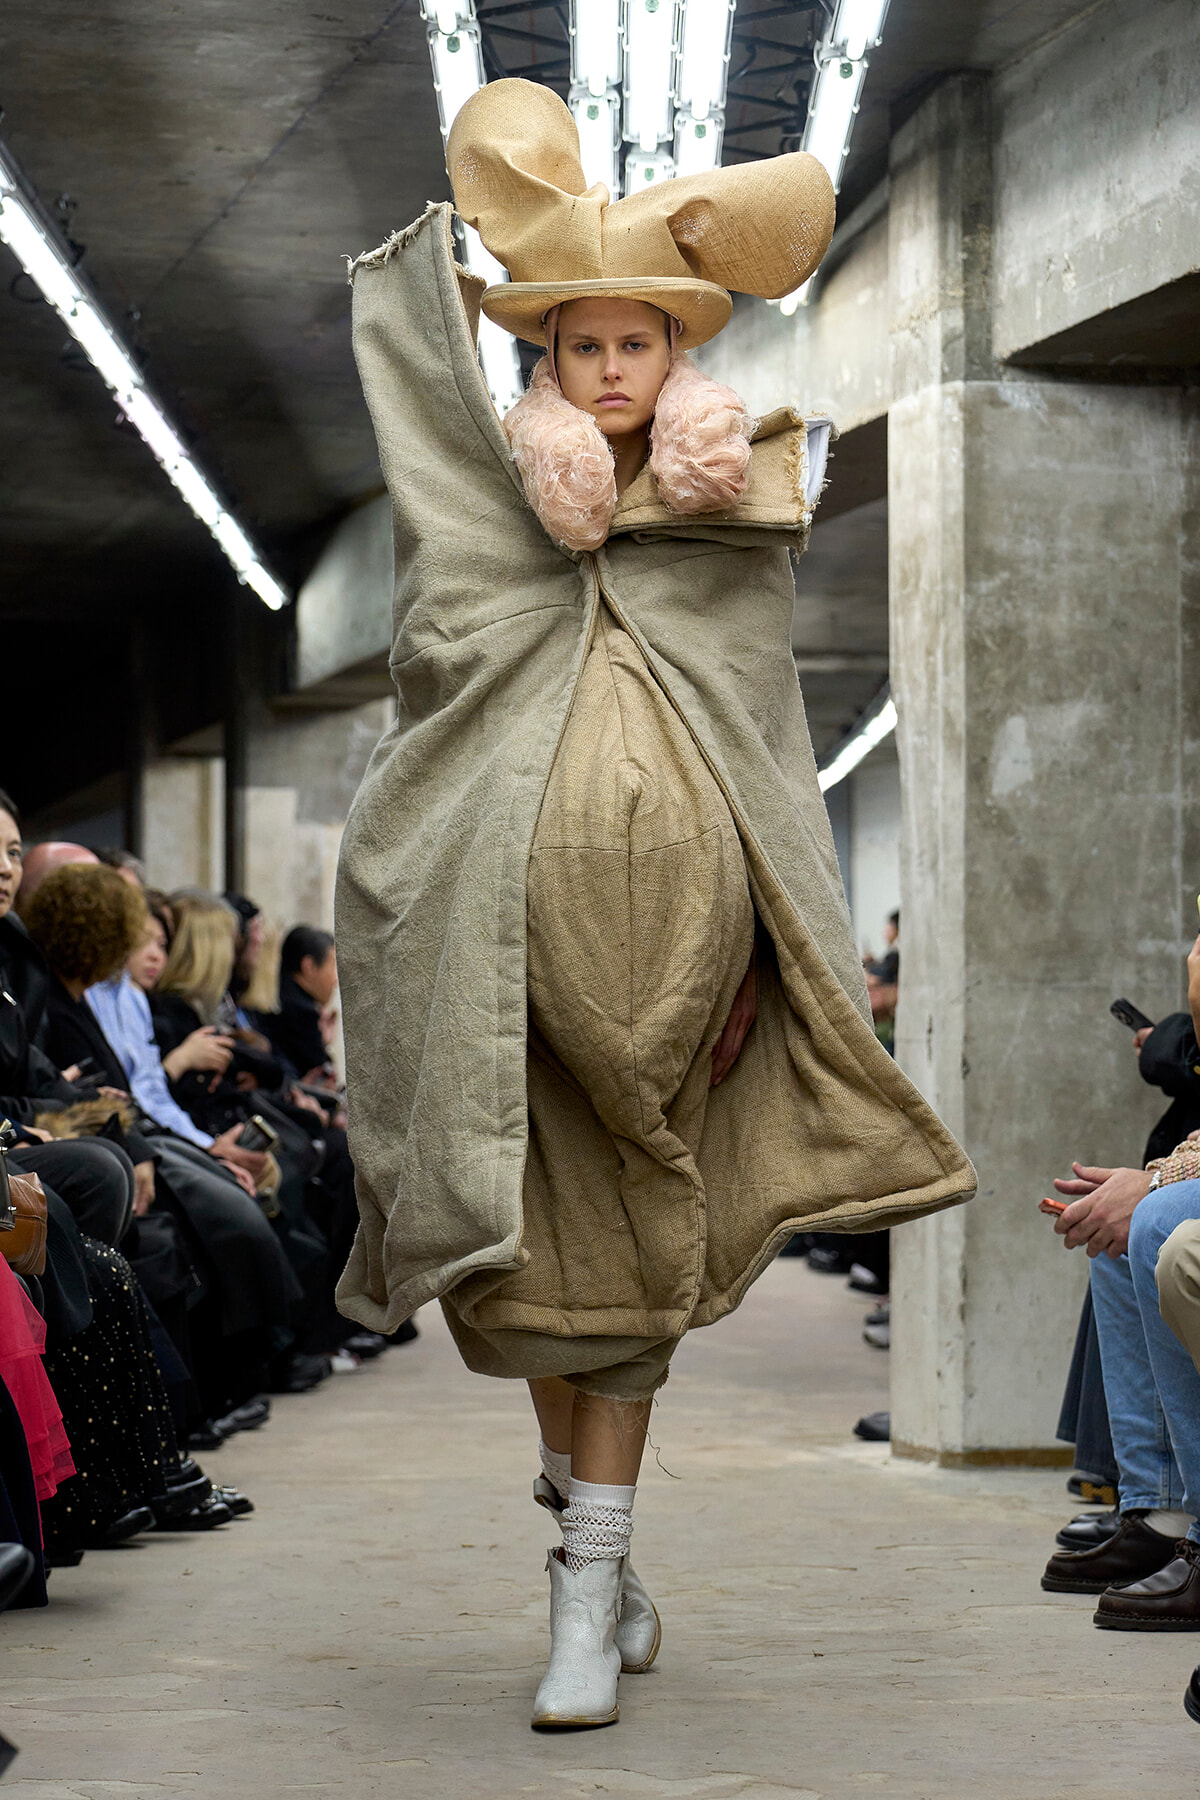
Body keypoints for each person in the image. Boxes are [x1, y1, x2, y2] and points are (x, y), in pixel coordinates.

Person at [334, 80, 975, 1731]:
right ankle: (589, 1549)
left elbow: (760, 742)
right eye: (578, 349)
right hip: (500, 973)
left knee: (626, 1265)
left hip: (685, 979)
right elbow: (435, 701)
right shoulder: (480, 527)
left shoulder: (734, 511)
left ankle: (587, 1575)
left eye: (636, 346)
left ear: (673, 355)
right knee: (536, 1266)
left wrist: (764, 937)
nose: (609, 372)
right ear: (541, 361)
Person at [261, 926, 338, 1083]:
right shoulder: (302, 1012)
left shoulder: (280, 995)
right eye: (332, 966)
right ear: (308, 966)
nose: (336, 979)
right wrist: (322, 1045)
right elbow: (324, 1077)